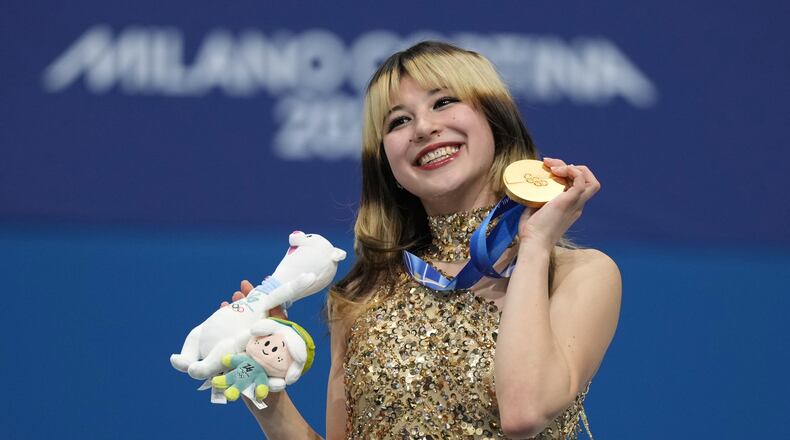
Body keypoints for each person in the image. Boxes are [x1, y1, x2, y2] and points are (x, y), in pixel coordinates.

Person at [228, 41, 621, 439]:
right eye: (398, 121)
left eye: (444, 102)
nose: (423, 128)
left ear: (495, 119)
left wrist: (534, 244)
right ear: (386, 162)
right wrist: (264, 390)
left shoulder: (578, 275)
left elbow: (524, 414)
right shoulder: (361, 296)